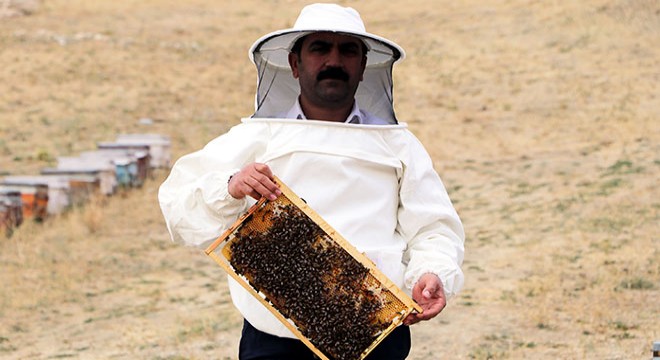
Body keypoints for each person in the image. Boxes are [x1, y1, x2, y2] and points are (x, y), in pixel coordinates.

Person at [158, 3, 465, 359]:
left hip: (375, 336)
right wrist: (230, 186)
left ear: (363, 66)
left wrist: (430, 273)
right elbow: (177, 209)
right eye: (320, 48)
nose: (333, 61)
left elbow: (434, 228)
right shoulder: (256, 138)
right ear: (294, 63)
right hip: (273, 341)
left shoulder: (397, 144)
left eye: (348, 50)